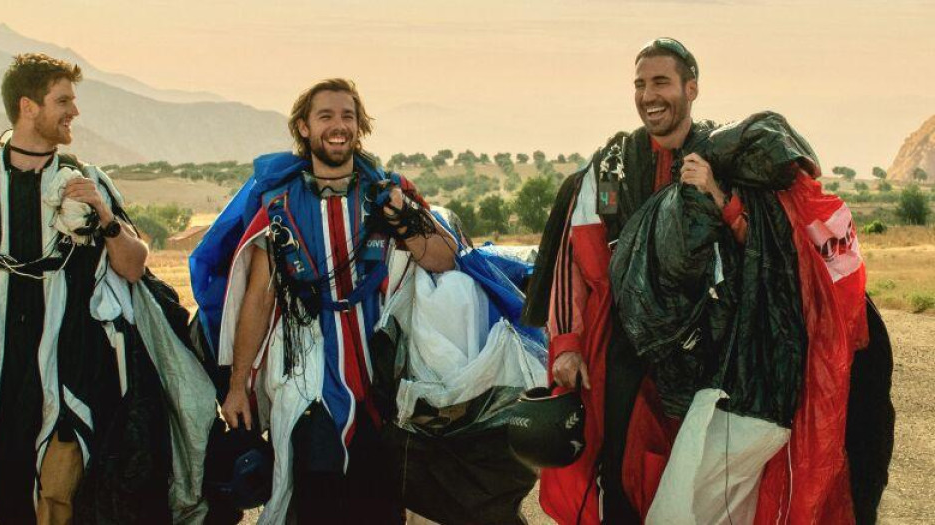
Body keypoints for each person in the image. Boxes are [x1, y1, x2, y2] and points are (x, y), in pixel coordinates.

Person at [523, 38, 892, 523]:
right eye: (640, 84)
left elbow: (769, 248)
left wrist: (720, 197)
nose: (648, 96)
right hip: (629, 353)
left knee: (708, 475)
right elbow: (575, 258)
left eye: (661, 82)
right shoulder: (610, 164)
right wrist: (568, 343)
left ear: (690, 88)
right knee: (624, 474)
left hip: (715, 349)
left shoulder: (727, 157)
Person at [0, 53, 212, 525]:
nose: (75, 111)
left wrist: (104, 216)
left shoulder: (88, 182)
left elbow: (133, 267)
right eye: (63, 100)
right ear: (29, 106)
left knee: (62, 497)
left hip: (70, 378)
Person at [191, 78, 457, 524]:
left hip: (382, 383)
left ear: (360, 127)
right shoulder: (280, 205)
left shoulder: (387, 194)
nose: (339, 126)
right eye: (326, 116)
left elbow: (444, 259)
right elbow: (258, 298)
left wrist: (404, 220)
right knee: (316, 503)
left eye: (348, 116)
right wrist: (238, 386)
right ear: (304, 127)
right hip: (306, 381)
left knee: (380, 510)